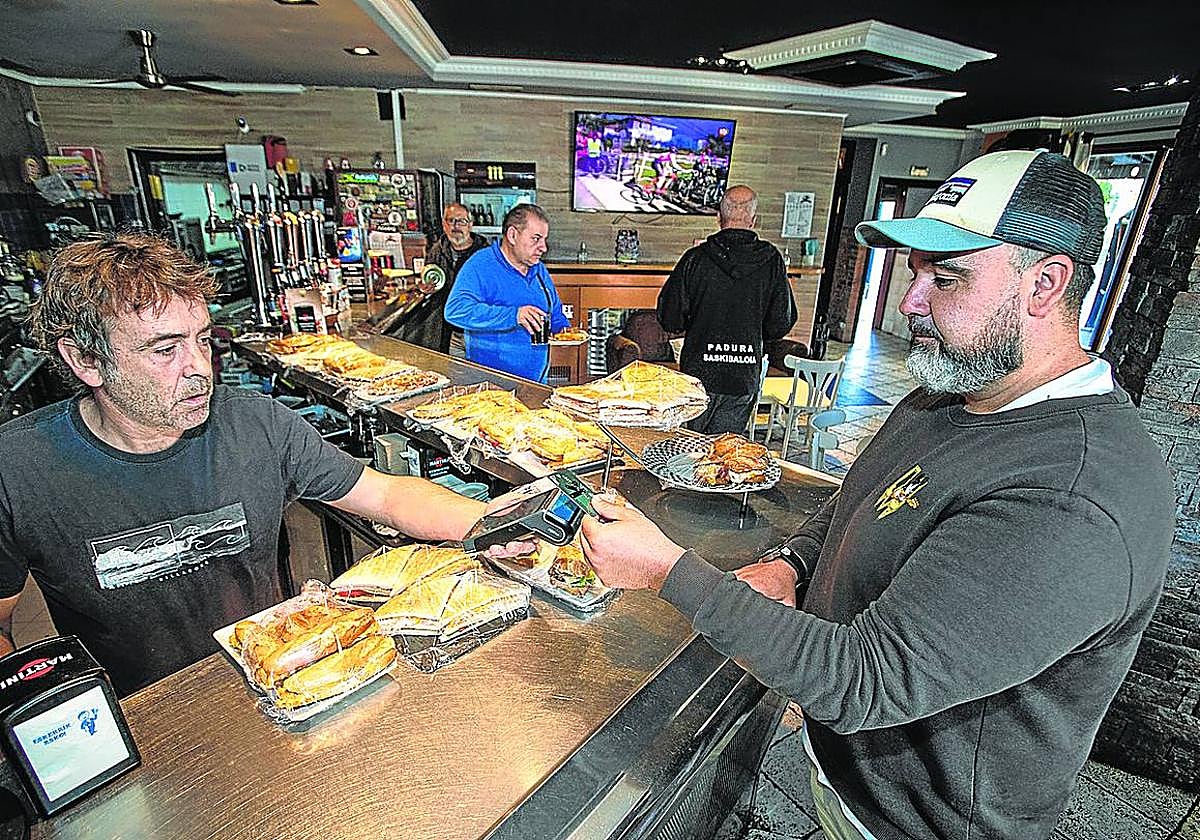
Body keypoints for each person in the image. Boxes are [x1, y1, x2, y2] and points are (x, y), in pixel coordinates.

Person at [582, 151, 1174, 839]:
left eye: (945, 277)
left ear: (1046, 283)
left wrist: (665, 570)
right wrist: (794, 563)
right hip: (842, 777)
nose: (909, 302)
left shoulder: (1073, 496)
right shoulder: (950, 392)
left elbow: (865, 679)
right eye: (915, 272)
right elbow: (857, 497)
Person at [0, 233, 527, 696]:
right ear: (85, 360)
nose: (199, 370)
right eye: (165, 351)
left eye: (202, 340)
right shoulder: (19, 469)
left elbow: (386, 495)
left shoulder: (256, 425)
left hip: (277, 676)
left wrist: (501, 523)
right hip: (144, 722)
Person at [658, 185, 796, 434]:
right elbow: (781, 323)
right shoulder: (772, 261)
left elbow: (670, 318)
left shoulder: (695, 259)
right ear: (753, 220)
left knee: (689, 447)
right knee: (723, 452)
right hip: (742, 376)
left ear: (719, 217)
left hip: (698, 376)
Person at [444, 203, 569, 383]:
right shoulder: (480, 264)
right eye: (536, 239)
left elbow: (554, 310)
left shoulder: (539, 269)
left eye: (544, 239)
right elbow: (455, 310)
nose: (543, 247)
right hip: (491, 386)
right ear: (512, 235)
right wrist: (514, 315)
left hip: (536, 382)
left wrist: (565, 330)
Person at [423, 203, 489, 355]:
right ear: (444, 224)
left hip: (480, 334)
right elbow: (430, 280)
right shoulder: (436, 251)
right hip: (452, 333)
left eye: (461, 221)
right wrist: (426, 289)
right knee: (458, 375)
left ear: (470, 225)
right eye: (451, 221)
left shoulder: (485, 254)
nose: (456, 226)